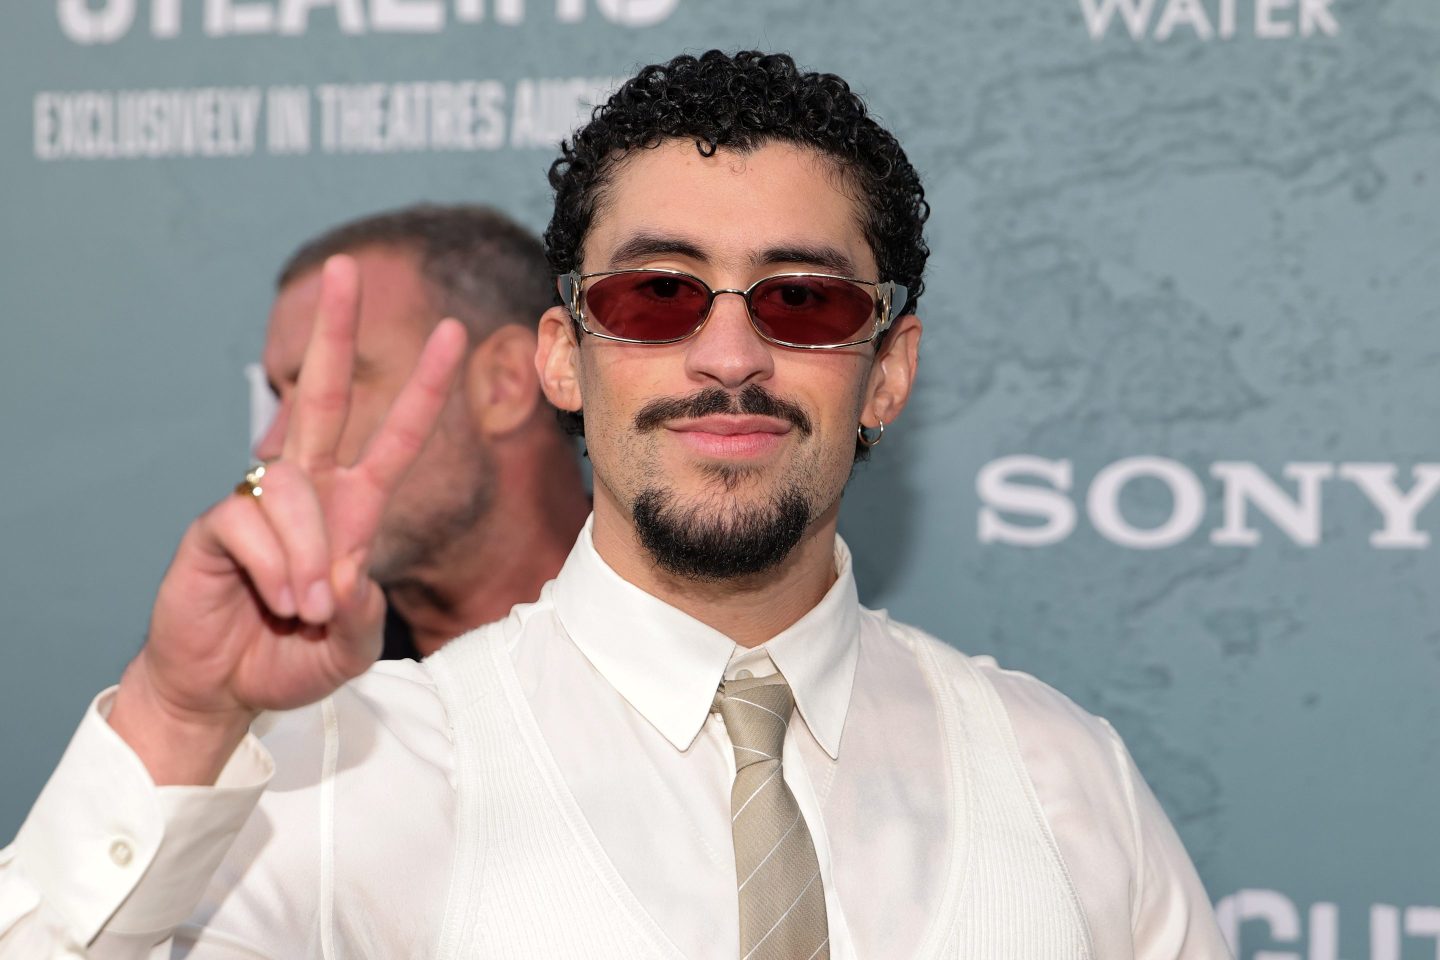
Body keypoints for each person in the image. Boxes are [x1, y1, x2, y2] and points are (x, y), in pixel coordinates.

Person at [0, 51, 1232, 959]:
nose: (730, 356)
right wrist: (175, 716)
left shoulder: (1063, 777)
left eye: (803, 301)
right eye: (658, 296)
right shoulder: (349, 774)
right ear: (562, 358)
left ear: (888, 371)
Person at [260, 205, 590, 657]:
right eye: (279, 397)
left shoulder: (683, 632)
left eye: (329, 382)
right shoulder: (293, 672)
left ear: (504, 384)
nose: (271, 445)